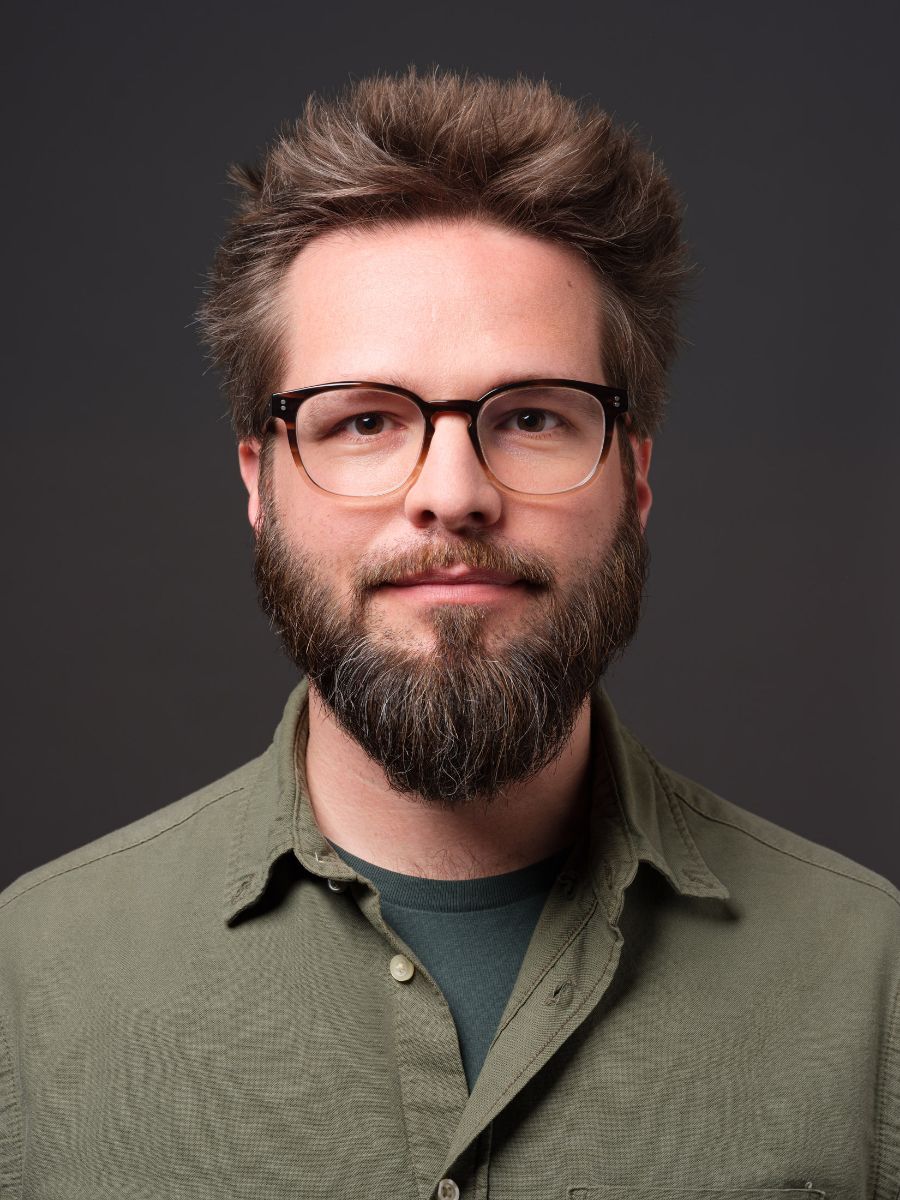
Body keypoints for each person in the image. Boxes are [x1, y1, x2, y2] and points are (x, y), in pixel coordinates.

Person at [0, 68, 897, 1200]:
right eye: (366, 421)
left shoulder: (876, 983)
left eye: (532, 417)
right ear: (260, 483)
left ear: (635, 477)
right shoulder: (25, 986)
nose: (454, 494)